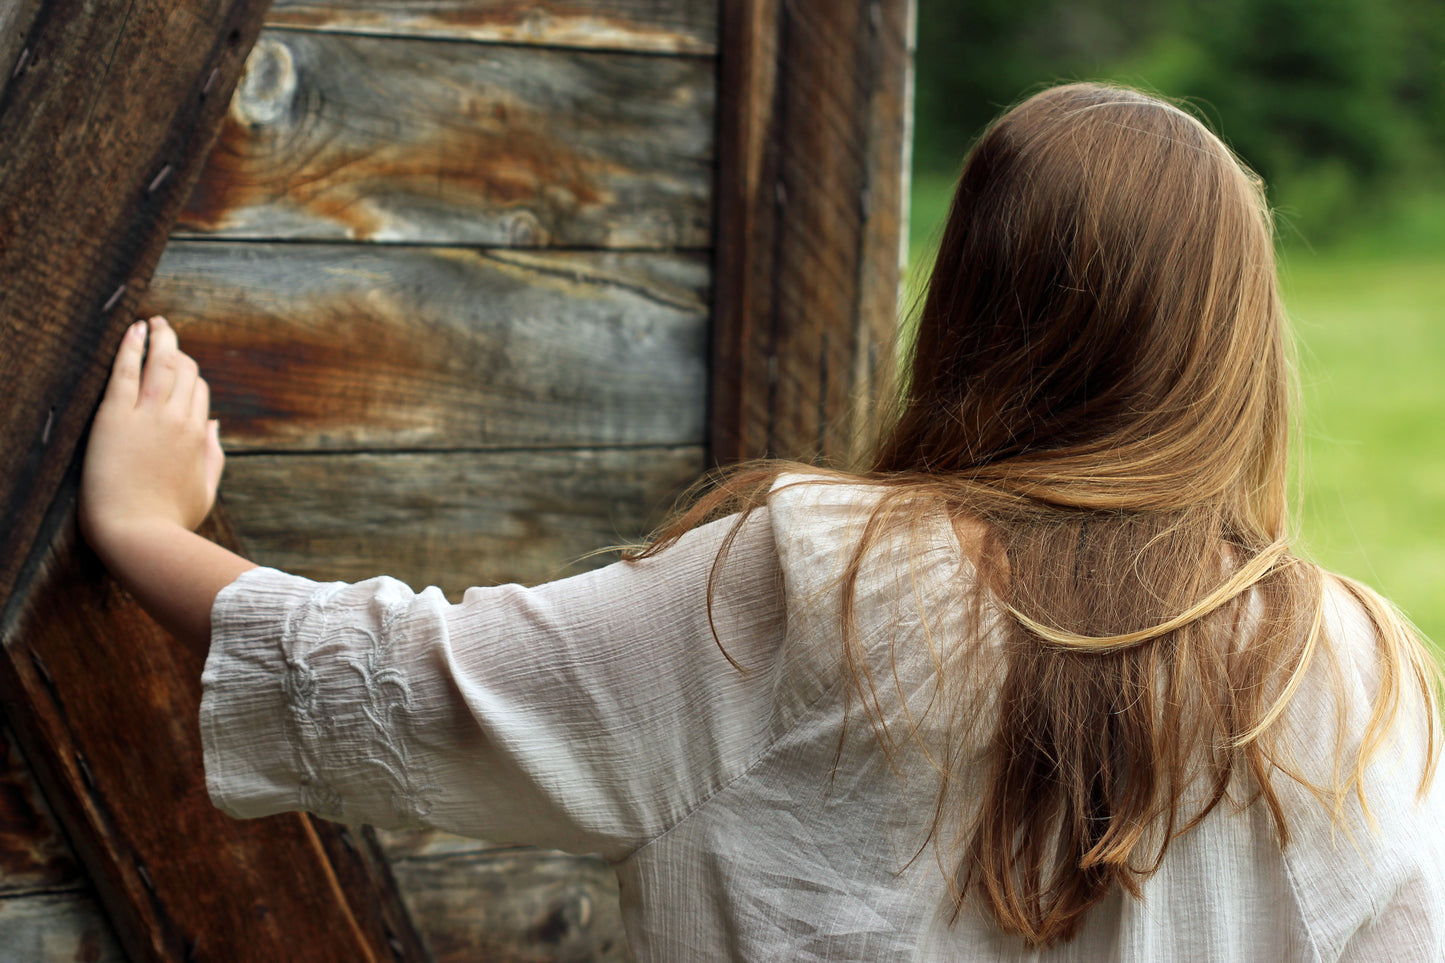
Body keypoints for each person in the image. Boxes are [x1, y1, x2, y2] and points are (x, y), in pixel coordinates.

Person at [79, 82, 1443, 960]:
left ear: (974, 301)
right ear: (1232, 351)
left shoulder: (828, 583)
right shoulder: (1354, 670)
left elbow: (422, 690)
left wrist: (147, 531)